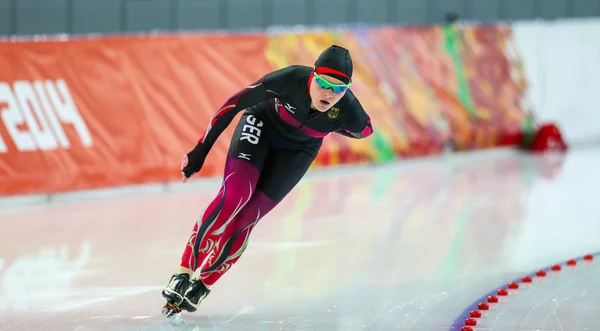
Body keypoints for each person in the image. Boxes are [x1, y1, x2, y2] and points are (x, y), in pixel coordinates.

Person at [161, 45, 374, 316]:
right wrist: (201, 149)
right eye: (323, 83)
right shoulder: (290, 79)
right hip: (262, 124)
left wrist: (327, 127)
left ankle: (204, 284)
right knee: (236, 196)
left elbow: (364, 131)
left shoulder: (349, 109)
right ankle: (183, 271)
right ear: (313, 75)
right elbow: (234, 103)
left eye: (339, 89)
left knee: (250, 215)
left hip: (299, 150)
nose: (329, 94)